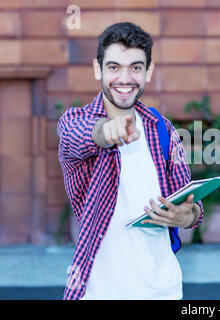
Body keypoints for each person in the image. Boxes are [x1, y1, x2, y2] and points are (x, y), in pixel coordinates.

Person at [57, 22, 203, 300]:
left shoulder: (163, 129)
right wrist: (106, 131)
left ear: (148, 72)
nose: (125, 78)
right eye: (114, 67)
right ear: (98, 69)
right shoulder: (75, 122)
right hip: (99, 291)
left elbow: (191, 203)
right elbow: (81, 135)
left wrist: (188, 216)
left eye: (135, 67)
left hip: (164, 290)